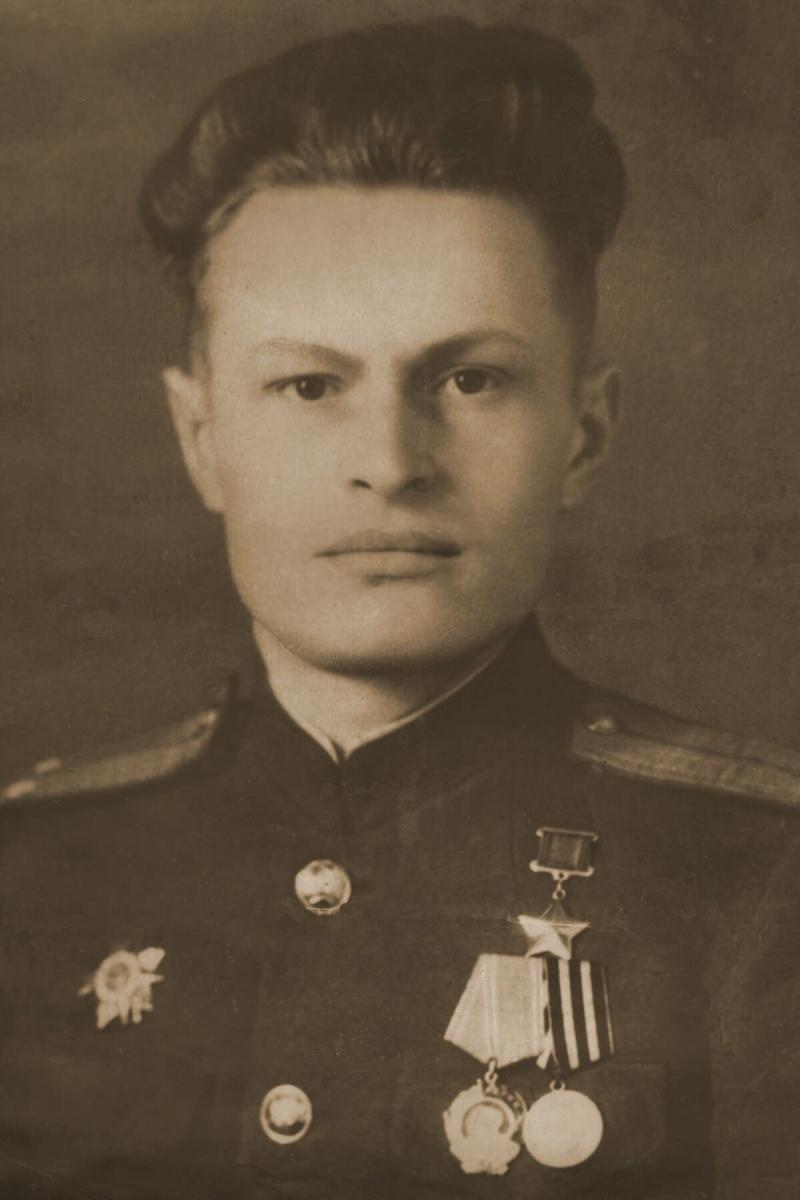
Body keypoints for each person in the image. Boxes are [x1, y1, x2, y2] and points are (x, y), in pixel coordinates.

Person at [1, 16, 798, 1200]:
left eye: (470, 378)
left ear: (582, 437)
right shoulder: (34, 873)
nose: (388, 462)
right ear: (200, 437)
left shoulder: (762, 881)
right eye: (307, 384)